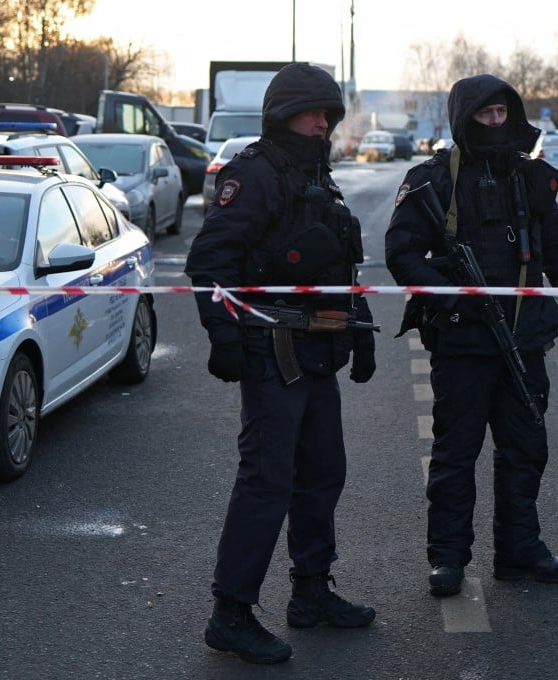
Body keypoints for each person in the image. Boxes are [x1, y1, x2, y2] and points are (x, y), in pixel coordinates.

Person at [184, 62, 377, 665]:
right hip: (272, 350)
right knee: (266, 482)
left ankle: (312, 592)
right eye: (314, 112)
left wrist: (360, 330)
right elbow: (208, 260)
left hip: (319, 350)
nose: (324, 123)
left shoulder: (320, 177)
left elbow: (341, 264)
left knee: (324, 474)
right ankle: (231, 612)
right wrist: (223, 336)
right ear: (283, 113)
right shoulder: (257, 174)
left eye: (330, 115)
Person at [384, 74, 558, 598]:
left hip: (523, 339)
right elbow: (402, 254)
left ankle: (520, 549)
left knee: (525, 449)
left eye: (503, 113)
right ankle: (448, 559)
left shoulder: (531, 178)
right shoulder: (433, 181)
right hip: (462, 345)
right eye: (485, 114)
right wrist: (452, 296)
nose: (497, 123)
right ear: (464, 118)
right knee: (456, 453)